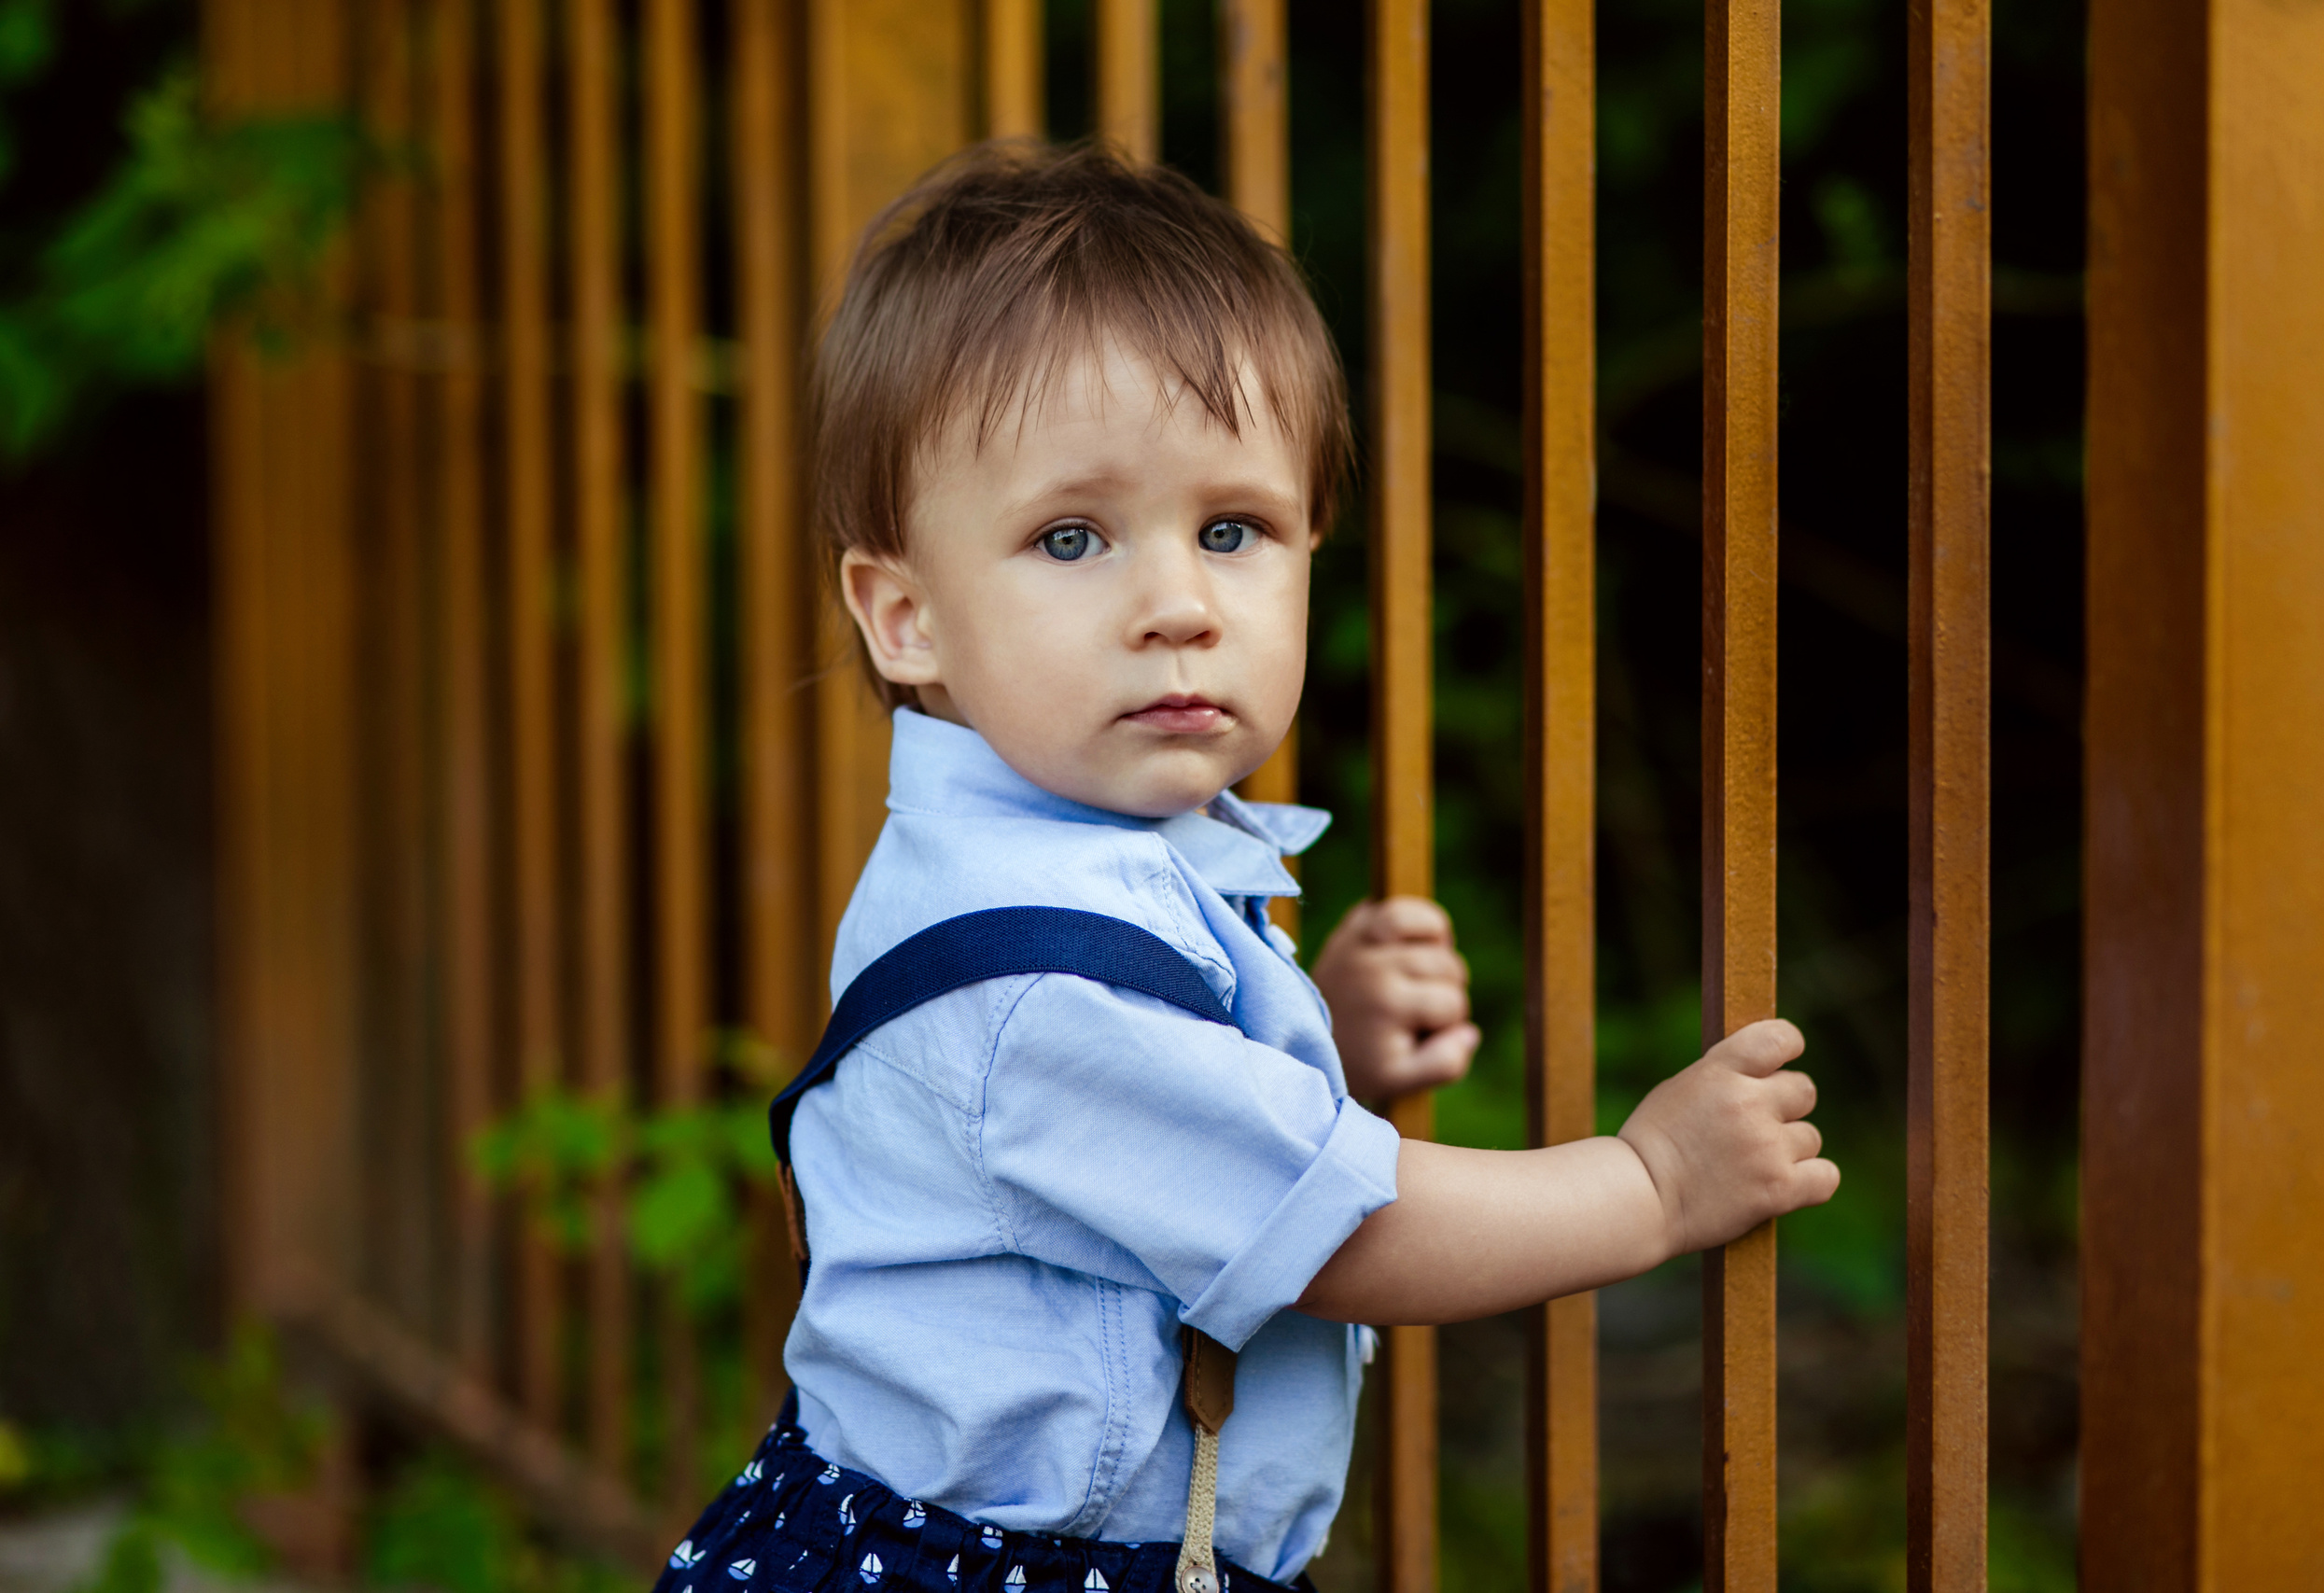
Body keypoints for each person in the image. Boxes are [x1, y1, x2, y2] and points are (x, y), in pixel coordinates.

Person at [656, 141, 1836, 1593]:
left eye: (1233, 530)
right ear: (906, 618)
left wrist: (1318, 1043)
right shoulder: (1037, 982)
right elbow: (1345, 1237)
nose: (1178, 604)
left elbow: (1152, 1162)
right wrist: (1650, 1184)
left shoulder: (1065, 862)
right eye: (1072, 538)